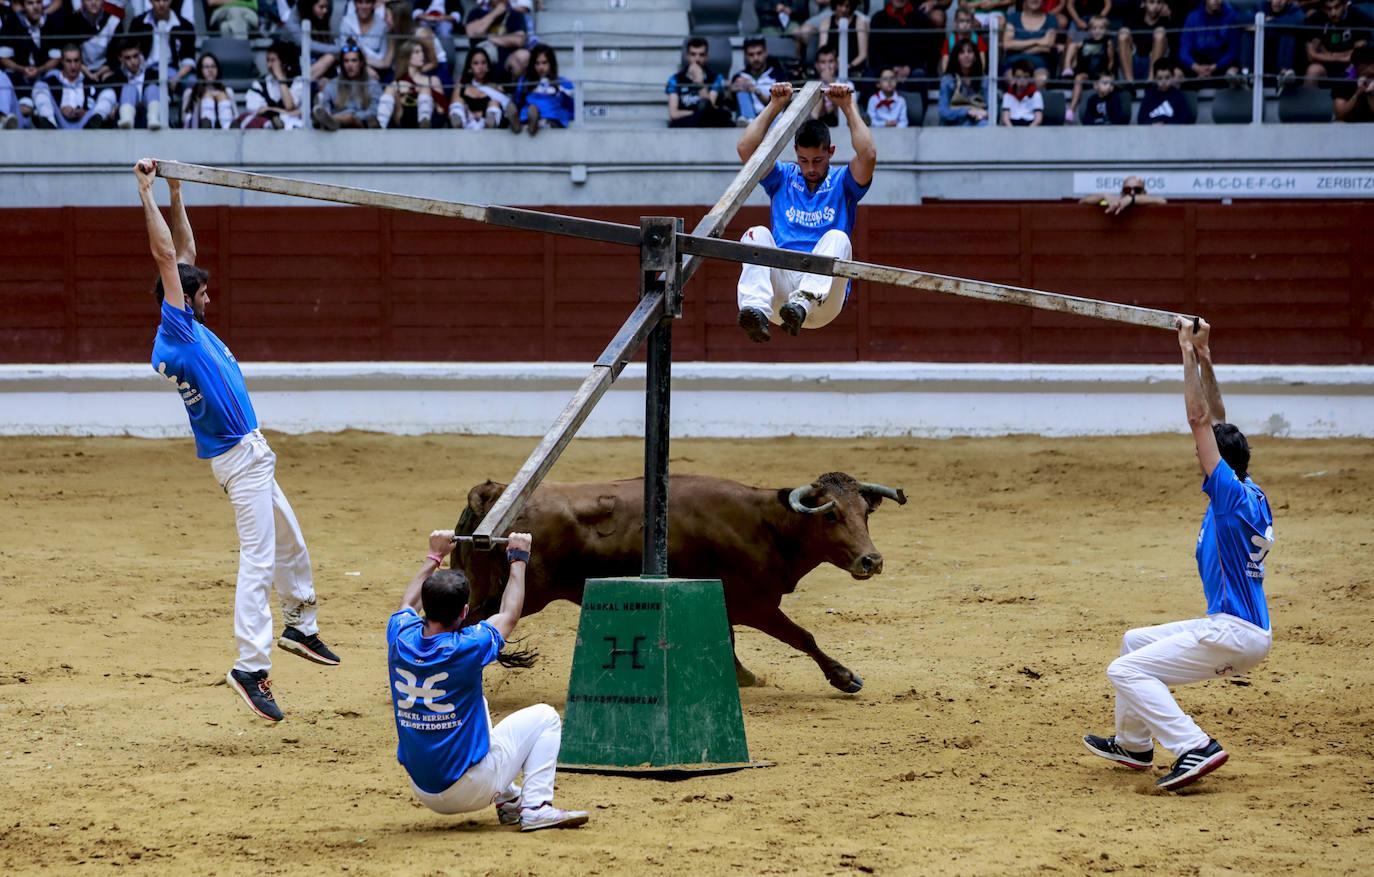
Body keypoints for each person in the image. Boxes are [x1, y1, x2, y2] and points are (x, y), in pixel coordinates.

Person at [134, 157, 340, 723]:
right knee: (259, 557)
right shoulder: (177, 329)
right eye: (201, 295)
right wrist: (146, 191)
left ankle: (301, 626)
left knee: (290, 542)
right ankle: (251, 665)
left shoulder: (185, 327)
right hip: (239, 459)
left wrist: (177, 190)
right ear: (182, 300)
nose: (208, 300)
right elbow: (166, 258)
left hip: (250, 453)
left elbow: (182, 255)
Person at [1082, 316, 1274, 793]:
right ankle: (1134, 745)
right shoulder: (1248, 490)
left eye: (1204, 458)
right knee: (1134, 642)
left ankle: (1195, 746)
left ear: (1218, 466)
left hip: (1234, 632)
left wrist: (1185, 353)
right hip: (1242, 626)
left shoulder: (1226, 495)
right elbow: (1219, 424)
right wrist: (1207, 356)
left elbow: (1200, 420)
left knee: (1123, 671)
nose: (1200, 462)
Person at [387, 529, 589, 831]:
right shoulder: (468, 646)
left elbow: (406, 603)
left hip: (424, 789)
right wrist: (518, 559)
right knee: (546, 718)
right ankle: (536, 807)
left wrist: (434, 556)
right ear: (465, 611)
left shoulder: (399, 634)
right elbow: (509, 613)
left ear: (425, 609)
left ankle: (508, 802)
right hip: (471, 788)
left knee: (474, 701)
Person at [735, 81, 875, 343]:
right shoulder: (783, 177)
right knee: (756, 234)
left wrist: (847, 106)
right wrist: (775, 105)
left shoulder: (843, 181)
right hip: (783, 296)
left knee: (839, 238)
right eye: (804, 160)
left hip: (824, 299)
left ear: (830, 153)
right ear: (796, 155)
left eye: (818, 161)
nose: (810, 168)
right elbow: (746, 149)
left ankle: (803, 302)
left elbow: (867, 155)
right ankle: (755, 309)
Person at [31, 41, 115, 128]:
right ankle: (49, 124)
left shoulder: (89, 81)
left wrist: (85, 113)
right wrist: (60, 111)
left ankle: (94, 123)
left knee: (109, 92)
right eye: (69, 61)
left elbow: (104, 102)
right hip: (57, 123)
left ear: (81, 61)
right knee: (39, 87)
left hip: (86, 124)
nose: (73, 66)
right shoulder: (52, 81)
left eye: (76, 60)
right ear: (62, 61)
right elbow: (38, 108)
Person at [1304, 0, 1373, 89]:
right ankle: (1307, 103)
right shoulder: (1315, 19)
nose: (1333, 13)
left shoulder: (1359, 17)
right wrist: (1343, 56)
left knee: (1357, 69)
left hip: (1351, 66)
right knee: (1313, 71)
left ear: (1345, 4)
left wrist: (1329, 54)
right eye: (1329, 8)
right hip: (1325, 67)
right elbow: (1311, 56)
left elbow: (1358, 54)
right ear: (1323, 8)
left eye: (1337, 7)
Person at [377, 39, 447, 127]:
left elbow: (441, 110)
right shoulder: (396, 84)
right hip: (403, 119)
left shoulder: (433, 80)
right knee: (390, 88)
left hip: (430, 121)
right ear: (407, 56)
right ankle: (380, 125)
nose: (422, 55)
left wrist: (423, 97)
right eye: (417, 52)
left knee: (425, 89)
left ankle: (424, 121)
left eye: (422, 51)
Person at [238, 41, 306, 129]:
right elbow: (260, 110)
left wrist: (281, 79)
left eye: (273, 60)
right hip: (264, 128)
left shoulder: (297, 81)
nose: (269, 65)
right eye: (267, 60)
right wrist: (288, 113)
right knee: (246, 118)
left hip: (291, 128)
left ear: (284, 62)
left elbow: (289, 106)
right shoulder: (260, 83)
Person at [666, 37, 732, 127]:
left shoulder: (716, 78)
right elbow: (673, 114)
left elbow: (709, 106)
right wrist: (696, 113)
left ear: (706, 57)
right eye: (693, 54)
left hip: (708, 122)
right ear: (687, 56)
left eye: (701, 55)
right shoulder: (675, 79)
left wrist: (700, 82)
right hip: (685, 123)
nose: (697, 59)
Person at [313, 45, 384, 129]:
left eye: (354, 61)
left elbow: (374, 111)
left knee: (351, 119)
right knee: (323, 107)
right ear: (342, 64)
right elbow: (326, 106)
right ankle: (332, 121)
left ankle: (333, 121)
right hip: (336, 122)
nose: (349, 65)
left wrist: (351, 116)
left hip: (362, 124)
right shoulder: (333, 84)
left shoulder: (373, 84)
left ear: (361, 63)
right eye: (346, 61)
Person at [511, 43, 574, 135]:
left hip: (552, 118)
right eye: (537, 63)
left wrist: (569, 117)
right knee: (528, 111)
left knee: (549, 122)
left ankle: (532, 125)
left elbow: (570, 105)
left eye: (544, 63)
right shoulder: (525, 82)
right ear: (532, 65)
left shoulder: (563, 83)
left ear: (551, 64)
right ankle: (522, 123)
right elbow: (519, 101)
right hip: (527, 116)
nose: (541, 67)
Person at [1063, 14, 1115, 121]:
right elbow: (1077, 52)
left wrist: (1108, 73)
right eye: (1094, 28)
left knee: (1105, 83)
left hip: (1101, 73)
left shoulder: (1107, 43)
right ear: (1090, 30)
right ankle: (1071, 109)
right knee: (1078, 77)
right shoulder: (1085, 42)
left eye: (1101, 28)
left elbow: (1111, 60)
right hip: (1087, 72)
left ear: (1106, 30)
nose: (1097, 31)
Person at [464, 0, 531, 81]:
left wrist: (489, 37)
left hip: (507, 60)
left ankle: (512, 91)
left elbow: (519, 39)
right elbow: (471, 32)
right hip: (482, 60)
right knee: (479, 58)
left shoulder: (515, 14)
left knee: (523, 56)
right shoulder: (477, 12)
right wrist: (496, 12)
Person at [1179, 0, 1242, 85]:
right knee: (1177, 73)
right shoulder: (1192, 18)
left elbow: (1233, 52)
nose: (1215, 1)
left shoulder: (1230, 17)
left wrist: (1215, 67)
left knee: (1233, 71)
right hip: (1197, 63)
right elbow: (1183, 52)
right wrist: (1196, 67)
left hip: (1220, 63)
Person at [1002, 0, 1061, 87]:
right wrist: (1037, 41)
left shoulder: (1051, 19)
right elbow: (1007, 45)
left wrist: (1018, 47)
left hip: (1039, 65)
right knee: (1014, 83)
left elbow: (1047, 46)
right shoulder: (1013, 17)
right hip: (1013, 63)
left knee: (1041, 81)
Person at [451, 46, 512, 129]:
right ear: (469, 67)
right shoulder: (461, 87)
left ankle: (490, 123)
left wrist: (481, 115)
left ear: (488, 66)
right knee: (458, 101)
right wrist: (471, 115)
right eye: (476, 63)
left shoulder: (496, 88)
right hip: (466, 127)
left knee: (494, 103)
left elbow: (508, 108)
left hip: (490, 130)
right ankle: (459, 123)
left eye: (483, 63)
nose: (480, 67)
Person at [1117, 0, 1176, 83]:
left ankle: (1151, 81)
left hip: (1157, 64)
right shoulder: (1135, 16)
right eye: (1151, 2)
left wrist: (1170, 17)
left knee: (1159, 32)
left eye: (1159, 2)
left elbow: (1175, 45)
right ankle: (1129, 82)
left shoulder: (1167, 20)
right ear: (1144, 3)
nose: (1155, 6)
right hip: (1134, 62)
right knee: (1123, 32)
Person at [730, 36, 787, 122]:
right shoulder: (740, 76)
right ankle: (749, 120)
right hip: (749, 120)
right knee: (741, 88)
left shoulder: (778, 75)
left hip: (772, 121)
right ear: (745, 56)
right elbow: (729, 103)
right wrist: (732, 89)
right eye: (751, 55)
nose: (755, 58)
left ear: (766, 53)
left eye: (759, 53)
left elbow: (777, 105)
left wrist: (756, 91)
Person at [939, 37, 990, 125]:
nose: (966, 55)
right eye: (962, 52)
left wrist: (983, 114)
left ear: (975, 56)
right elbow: (943, 112)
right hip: (954, 124)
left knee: (985, 125)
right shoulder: (948, 80)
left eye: (970, 51)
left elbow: (992, 108)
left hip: (978, 122)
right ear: (957, 57)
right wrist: (967, 112)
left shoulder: (985, 80)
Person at [181, 52, 237, 129]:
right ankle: (207, 125)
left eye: (213, 66)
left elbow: (236, 116)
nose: (210, 70)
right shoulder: (190, 92)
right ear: (200, 70)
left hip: (225, 135)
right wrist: (202, 101)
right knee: (207, 95)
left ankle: (227, 128)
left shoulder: (228, 91)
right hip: (198, 132)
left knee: (222, 95)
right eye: (206, 67)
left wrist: (218, 98)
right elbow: (185, 120)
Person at [817, 0, 868, 80]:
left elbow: (863, 54)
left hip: (853, 68)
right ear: (835, 5)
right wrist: (831, 66)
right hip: (831, 67)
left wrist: (847, 66)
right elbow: (822, 50)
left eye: (847, 6)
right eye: (840, 6)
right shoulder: (826, 22)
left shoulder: (859, 22)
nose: (844, 10)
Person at [1137, 56, 1191, 122]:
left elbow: (1182, 119)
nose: (1163, 82)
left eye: (1167, 78)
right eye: (1160, 78)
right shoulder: (1149, 96)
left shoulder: (1178, 96)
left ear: (1173, 76)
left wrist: (1166, 125)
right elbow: (1141, 119)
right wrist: (1153, 125)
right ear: (1154, 78)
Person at [1078, 175, 1167, 213]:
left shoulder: (1148, 202)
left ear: (1144, 192)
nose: (1132, 193)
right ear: (1122, 192)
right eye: (1127, 190)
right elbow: (1083, 201)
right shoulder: (1115, 203)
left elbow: (1162, 201)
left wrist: (1132, 199)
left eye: (1137, 190)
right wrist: (1103, 196)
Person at [1332, 43, 1374, 121]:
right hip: (1348, 123)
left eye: (1371, 75)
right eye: (1364, 73)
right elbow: (1340, 115)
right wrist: (1357, 94)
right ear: (1357, 68)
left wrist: (1370, 94)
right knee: (1339, 123)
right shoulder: (1343, 83)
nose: (1368, 77)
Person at [941, 7, 988, 74]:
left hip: (974, 74)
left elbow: (982, 62)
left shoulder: (978, 39)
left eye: (968, 21)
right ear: (955, 22)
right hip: (954, 76)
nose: (965, 24)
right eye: (962, 21)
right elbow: (945, 63)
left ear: (973, 22)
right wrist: (948, 77)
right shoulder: (949, 41)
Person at [999, 57, 1044, 125]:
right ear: (1013, 77)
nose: (1022, 81)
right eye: (1018, 77)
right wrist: (1012, 131)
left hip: (1030, 126)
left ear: (1031, 78)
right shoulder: (1008, 95)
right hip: (1012, 126)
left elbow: (1038, 119)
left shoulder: (1036, 95)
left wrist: (1029, 131)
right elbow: (1005, 119)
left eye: (1026, 77)